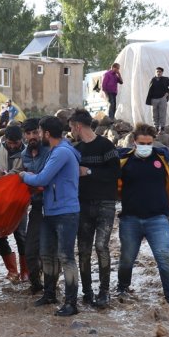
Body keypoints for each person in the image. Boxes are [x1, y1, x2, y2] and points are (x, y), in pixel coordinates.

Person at [116, 123, 169, 307]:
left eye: (149, 143)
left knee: (164, 258)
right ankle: (122, 290)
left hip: (157, 218)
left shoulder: (161, 157)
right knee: (126, 260)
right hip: (130, 219)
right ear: (134, 142)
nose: (146, 146)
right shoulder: (124, 160)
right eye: (142, 143)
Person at [20, 116, 81, 317]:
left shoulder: (61, 152)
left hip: (65, 212)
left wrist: (23, 176)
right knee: (47, 254)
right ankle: (49, 294)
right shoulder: (56, 151)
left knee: (66, 257)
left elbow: (43, 178)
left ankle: (71, 302)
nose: (37, 135)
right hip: (51, 210)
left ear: (46, 133)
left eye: (39, 131)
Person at [70, 109, 120, 309]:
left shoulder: (106, 145)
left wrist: (89, 171)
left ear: (78, 126)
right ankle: (87, 292)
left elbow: (115, 172)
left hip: (105, 203)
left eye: (71, 128)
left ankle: (104, 292)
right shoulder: (76, 149)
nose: (71, 132)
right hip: (82, 204)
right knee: (83, 250)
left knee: (101, 246)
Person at [0, 124, 27, 283]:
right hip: (1, 199)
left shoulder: (27, 151)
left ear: (21, 140)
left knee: (21, 235)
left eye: (15, 143)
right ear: (5, 139)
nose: (12, 146)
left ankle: (25, 271)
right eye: (9, 143)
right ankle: (12, 270)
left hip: (19, 200)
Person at [21, 117, 49, 294]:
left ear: (41, 133)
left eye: (35, 132)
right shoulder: (23, 155)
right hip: (36, 207)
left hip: (53, 205)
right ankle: (36, 284)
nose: (32, 136)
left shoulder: (50, 151)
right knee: (30, 248)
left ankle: (51, 286)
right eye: (28, 133)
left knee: (50, 250)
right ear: (24, 135)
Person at [146, 67, 169, 132]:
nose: (158, 73)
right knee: (154, 114)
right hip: (154, 99)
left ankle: (162, 127)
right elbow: (150, 89)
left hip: (162, 98)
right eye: (157, 71)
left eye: (160, 72)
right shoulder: (153, 79)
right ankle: (156, 127)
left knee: (162, 113)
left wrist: (168, 93)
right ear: (155, 72)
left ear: (162, 73)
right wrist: (150, 99)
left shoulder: (165, 79)